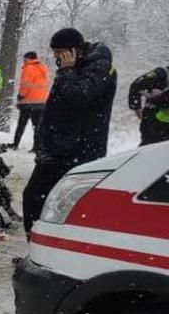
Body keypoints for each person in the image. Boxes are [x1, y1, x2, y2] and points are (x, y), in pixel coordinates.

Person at [24, 28, 117, 234]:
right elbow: (56, 107)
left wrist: (67, 70)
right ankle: (37, 247)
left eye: (59, 52)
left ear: (73, 50)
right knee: (34, 198)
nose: (57, 58)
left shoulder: (99, 68)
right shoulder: (72, 68)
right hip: (57, 147)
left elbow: (78, 98)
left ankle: (53, 251)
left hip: (79, 150)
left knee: (63, 206)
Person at [13, 51, 50, 151]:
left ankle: (15, 144)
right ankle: (37, 147)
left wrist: (20, 95)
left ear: (29, 58)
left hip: (28, 101)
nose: (23, 61)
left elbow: (25, 84)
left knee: (21, 124)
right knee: (37, 126)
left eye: (25, 59)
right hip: (41, 101)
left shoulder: (28, 68)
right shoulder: (43, 68)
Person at [128, 65, 169, 146]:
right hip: (154, 124)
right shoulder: (162, 73)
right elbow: (136, 85)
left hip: (164, 125)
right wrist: (137, 108)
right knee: (147, 151)